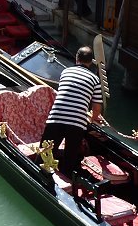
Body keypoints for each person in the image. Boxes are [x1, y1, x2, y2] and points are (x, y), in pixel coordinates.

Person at [41, 46, 103, 177]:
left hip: (56, 118)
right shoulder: (95, 80)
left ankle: (39, 174)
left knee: (45, 152)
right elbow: (97, 108)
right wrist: (92, 118)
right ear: (91, 62)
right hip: (77, 124)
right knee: (70, 158)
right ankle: (66, 179)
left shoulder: (66, 72)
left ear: (77, 58)